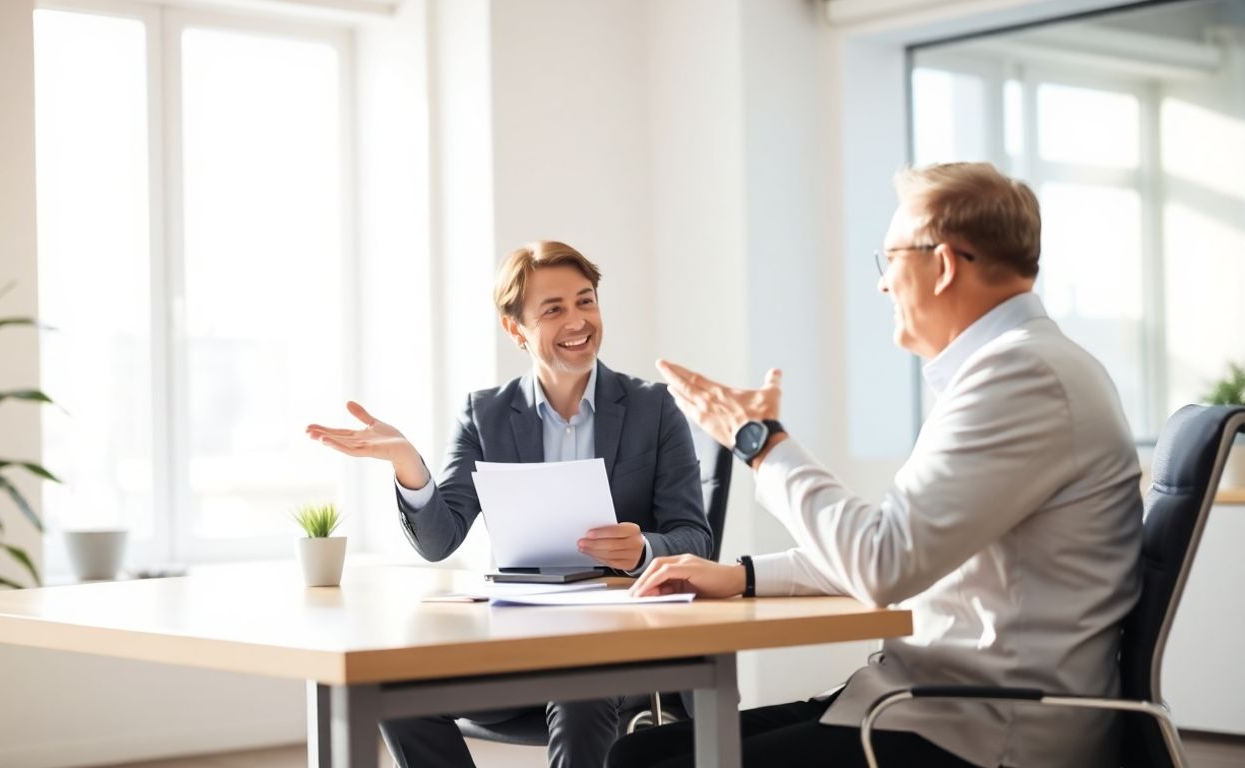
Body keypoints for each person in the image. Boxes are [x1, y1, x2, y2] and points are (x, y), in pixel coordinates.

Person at [609, 162, 1143, 768]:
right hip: (926, 701)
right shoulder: (1016, 369)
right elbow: (899, 545)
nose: (882, 284)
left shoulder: (1021, 379)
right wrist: (743, 575)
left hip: (981, 730)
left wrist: (759, 441)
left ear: (941, 265)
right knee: (640, 753)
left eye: (889, 259)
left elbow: (882, 563)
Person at [307, 240, 712, 768]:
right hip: (519, 641)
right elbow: (439, 539)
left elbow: (695, 540)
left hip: (620, 648)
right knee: (388, 687)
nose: (578, 321)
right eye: (554, 309)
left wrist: (642, 548)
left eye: (585, 301)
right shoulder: (486, 414)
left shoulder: (653, 409)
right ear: (515, 328)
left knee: (581, 691)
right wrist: (408, 463)